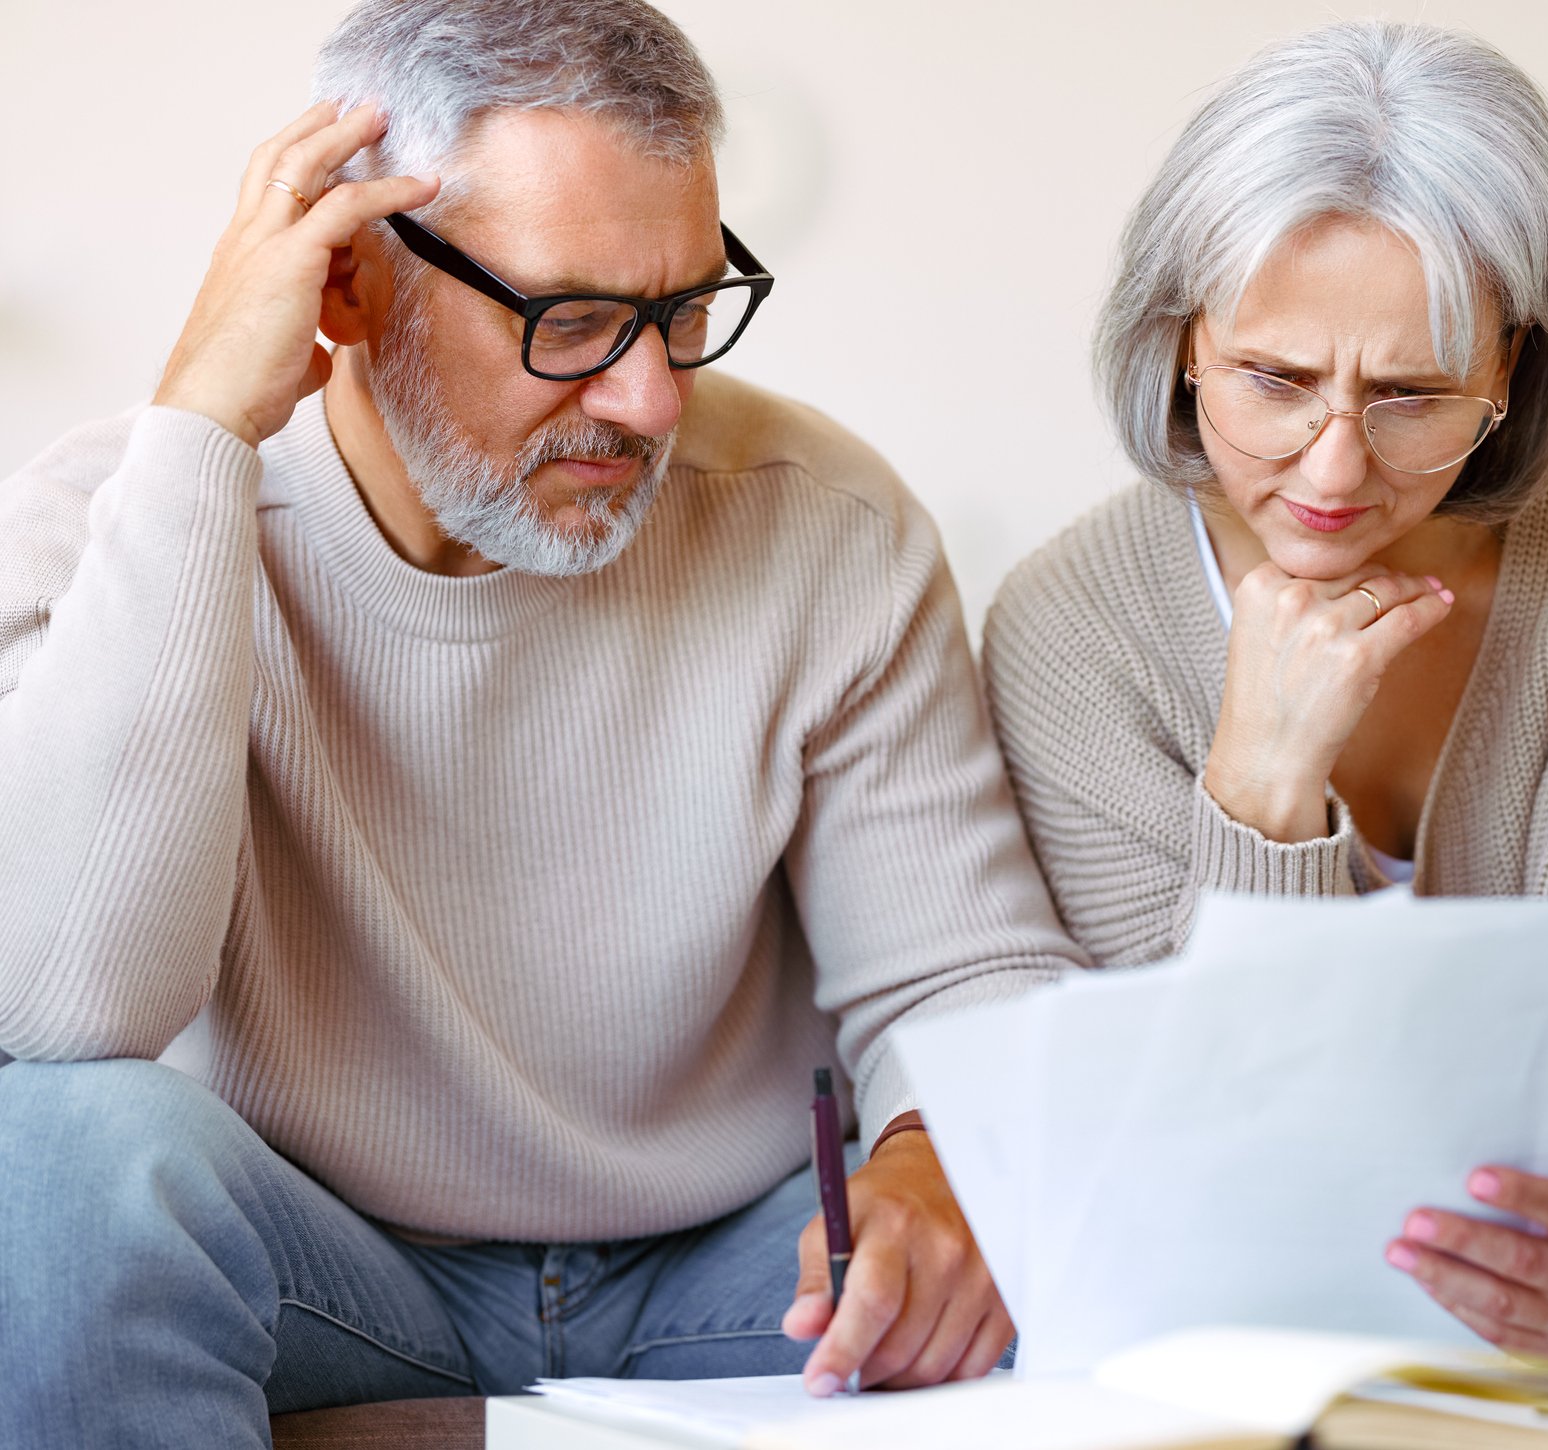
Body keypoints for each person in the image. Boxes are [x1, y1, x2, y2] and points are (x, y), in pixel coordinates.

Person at [0, 0, 1086, 1441]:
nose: (648, 398)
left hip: (736, 1273)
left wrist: (934, 1163)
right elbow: (69, 1020)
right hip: (332, 1268)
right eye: (570, 321)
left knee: (1084, 1237)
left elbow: (959, 975)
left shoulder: (820, 521)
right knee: (56, 1158)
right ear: (349, 290)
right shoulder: (120, 520)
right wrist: (200, 436)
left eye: (683, 309)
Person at [982, 20, 1548, 1363]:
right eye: (1273, 380)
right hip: (1275, 1193)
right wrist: (1257, 788)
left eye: (1412, 394)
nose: (1330, 471)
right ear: (1178, 340)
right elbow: (1218, 1114)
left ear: (1512, 367)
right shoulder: (1069, 624)